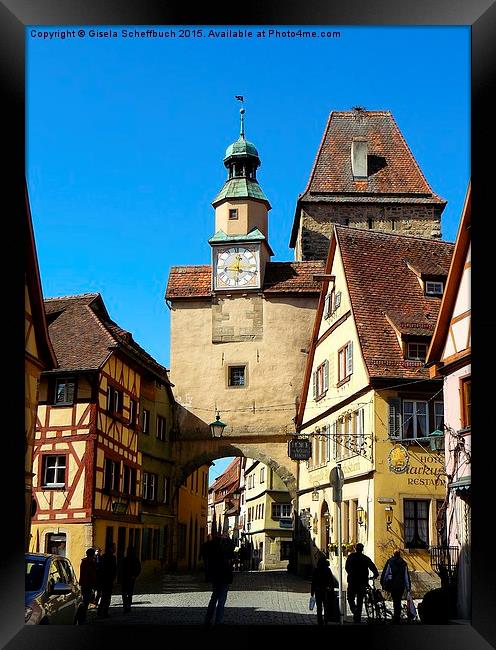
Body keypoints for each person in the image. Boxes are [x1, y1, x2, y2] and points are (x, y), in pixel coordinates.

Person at [203, 533, 235, 626]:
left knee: (213, 598)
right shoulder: (226, 549)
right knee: (222, 600)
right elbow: (232, 547)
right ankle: (218, 621)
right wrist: (227, 539)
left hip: (215, 576)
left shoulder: (212, 547)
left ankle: (207, 620)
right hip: (224, 576)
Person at [345, 543, 379, 623]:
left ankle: (354, 610)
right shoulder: (365, 558)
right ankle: (358, 617)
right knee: (360, 600)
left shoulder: (351, 557)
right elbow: (372, 566)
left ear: (355, 548)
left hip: (352, 581)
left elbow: (347, 568)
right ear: (362, 549)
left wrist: (351, 574)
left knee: (350, 598)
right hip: (362, 582)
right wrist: (376, 574)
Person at [381, 549, 412, 623]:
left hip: (393, 584)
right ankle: (397, 615)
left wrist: (383, 582)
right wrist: (408, 587)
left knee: (395, 600)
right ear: (399, 554)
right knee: (398, 600)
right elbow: (406, 576)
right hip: (401, 585)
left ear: (394, 554)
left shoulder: (390, 562)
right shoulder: (404, 563)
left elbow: (386, 573)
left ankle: (396, 616)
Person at [310, 556, 338, 626]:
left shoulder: (316, 570)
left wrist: (312, 592)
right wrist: (331, 589)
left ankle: (320, 621)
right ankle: (326, 619)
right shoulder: (327, 570)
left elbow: (313, 582)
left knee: (319, 607)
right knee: (326, 605)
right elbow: (331, 580)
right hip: (325, 590)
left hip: (318, 590)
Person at [77, 548, 97, 623]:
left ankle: (83, 617)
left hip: (84, 583)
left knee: (85, 600)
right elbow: (91, 574)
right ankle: (82, 618)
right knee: (85, 601)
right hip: (88, 583)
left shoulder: (85, 561)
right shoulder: (89, 562)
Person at [97, 543, 117, 618]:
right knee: (107, 596)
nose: (115, 549)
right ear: (111, 548)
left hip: (102, 579)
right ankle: (104, 612)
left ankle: (100, 611)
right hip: (108, 580)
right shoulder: (112, 557)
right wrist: (113, 579)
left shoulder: (103, 556)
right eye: (114, 547)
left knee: (104, 596)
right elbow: (113, 569)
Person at [121, 546, 142, 613]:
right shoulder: (135, 559)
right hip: (130, 578)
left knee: (125, 592)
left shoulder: (125, 559)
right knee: (129, 593)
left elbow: (121, 569)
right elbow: (139, 569)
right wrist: (135, 576)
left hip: (125, 578)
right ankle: (128, 606)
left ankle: (125, 606)